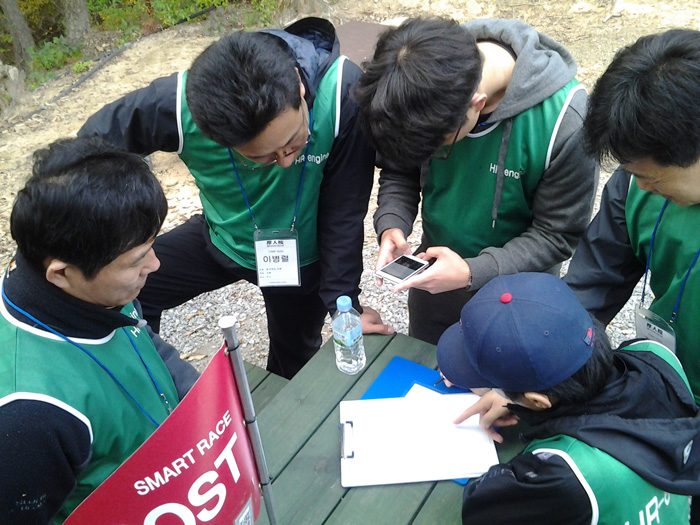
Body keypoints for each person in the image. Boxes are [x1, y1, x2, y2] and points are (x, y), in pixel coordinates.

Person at [78, 17, 392, 379]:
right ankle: (153, 385)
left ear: (298, 86)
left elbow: (344, 212)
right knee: (127, 293)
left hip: (300, 257)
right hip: (223, 239)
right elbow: (89, 149)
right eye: (261, 156)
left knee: (294, 360)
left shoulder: (342, 93)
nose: (285, 161)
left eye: (294, 141)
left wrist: (343, 306)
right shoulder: (180, 104)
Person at [353, 17, 598, 344]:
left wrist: (473, 272)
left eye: (438, 147)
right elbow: (400, 168)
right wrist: (393, 223)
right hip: (434, 285)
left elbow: (556, 235)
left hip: (516, 298)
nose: (432, 154)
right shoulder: (419, 84)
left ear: (477, 105)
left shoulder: (565, 121)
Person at [0, 137, 199, 523]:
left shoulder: (90, 280)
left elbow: (145, 341)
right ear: (62, 273)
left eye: (151, 247)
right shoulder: (28, 417)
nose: (155, 265)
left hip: (177, 482)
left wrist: (200, 404)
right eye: (137, 260)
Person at [436, 272, 700, 524]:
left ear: (539, 401)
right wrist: (514, 396)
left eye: (494, 385)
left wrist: (522, 406)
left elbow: (482, 509)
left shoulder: (566, 475)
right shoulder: (655, 355)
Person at [563, 29, 700, 403]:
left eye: (651, 176)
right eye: (630, 171)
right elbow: (594, 281)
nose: (640, 186)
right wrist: (549, 363)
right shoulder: (636, 181)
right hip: (666, 381)